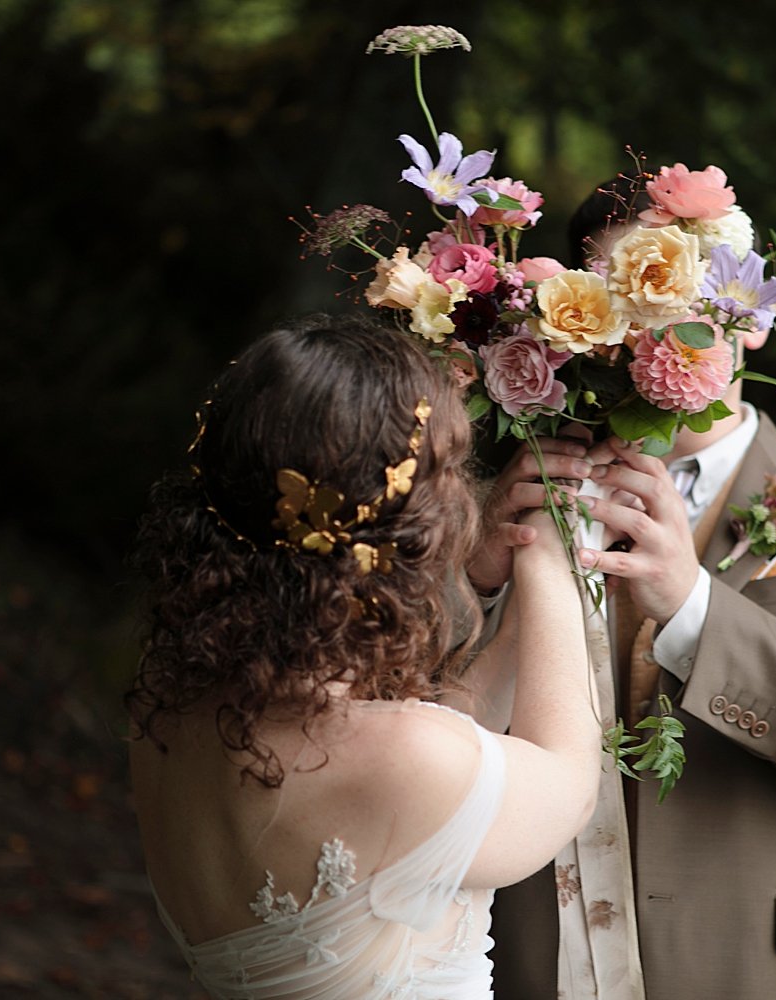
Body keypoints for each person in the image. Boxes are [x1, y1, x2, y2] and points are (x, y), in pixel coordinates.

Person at [480, 187, 776, 999]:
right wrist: (480, 576)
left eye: (670, 293)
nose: (644, 329)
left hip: (756, 974)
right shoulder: (505, 505)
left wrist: (693, 606)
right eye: (616, 300)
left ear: (753, 312)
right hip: (528, 966)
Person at [125, 315, 600, 999]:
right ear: (405, 525)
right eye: (450, 473)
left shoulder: (165, 706)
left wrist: (509, 597)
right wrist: (552, 558)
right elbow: (568, 785)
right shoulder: (402, 756)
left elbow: (422, 778)